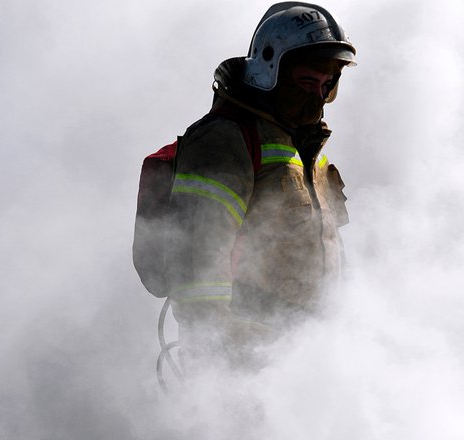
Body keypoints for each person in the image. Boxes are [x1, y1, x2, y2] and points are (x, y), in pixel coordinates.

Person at [138, 2, 356, 362]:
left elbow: (327, 244)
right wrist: (224, 349)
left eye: (326, 84)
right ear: (271, 69)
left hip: (305, 354)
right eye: (306, 81)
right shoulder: (224, 140)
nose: (317, 96)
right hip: (242, 358)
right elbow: (197, 257)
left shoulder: (307, 149)